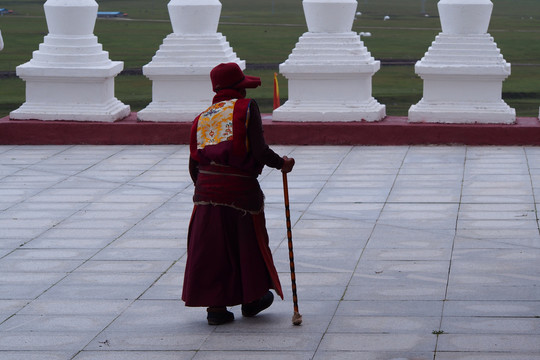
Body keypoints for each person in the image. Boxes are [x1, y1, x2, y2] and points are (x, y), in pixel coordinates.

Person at [182, 62, 295, 325]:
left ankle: (216, 309)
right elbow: (259, 149)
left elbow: (193, 163)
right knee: (246, 244)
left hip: (206, 192)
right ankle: (252, 299)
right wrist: (282, 163)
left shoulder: (203, 117)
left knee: (213, 248)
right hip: (239, 192)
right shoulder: (246, 108)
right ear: (239, 89)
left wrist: (206, 187)